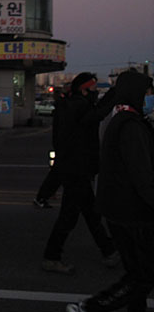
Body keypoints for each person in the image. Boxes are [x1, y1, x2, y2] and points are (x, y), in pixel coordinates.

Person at [67, 71, 154, 312]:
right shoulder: (130, 126)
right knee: (143, 275)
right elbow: (142, 176)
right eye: (148, 92)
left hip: (118, 209)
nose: (150, 96)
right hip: (132, 213)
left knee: (137, 273)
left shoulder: (121, 120)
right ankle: (91, 306)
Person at [41, 72, 119, 274]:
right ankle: (52, 257)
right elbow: (96, 115)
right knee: (70, 217)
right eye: (93, 89)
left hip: (76, 169)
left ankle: (109, 251)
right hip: (77, 170)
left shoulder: (73, 105)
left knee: (91, 214)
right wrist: (114, 95)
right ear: (84, 90)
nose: (95, 93)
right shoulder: (77, 107)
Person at [34, 83, 70, 208]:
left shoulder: (61, 106)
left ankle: (42, 197)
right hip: (65, 147)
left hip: (62, 146)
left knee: (59, 174)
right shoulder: (65, 107)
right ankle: (42, 197)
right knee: (60, 174)